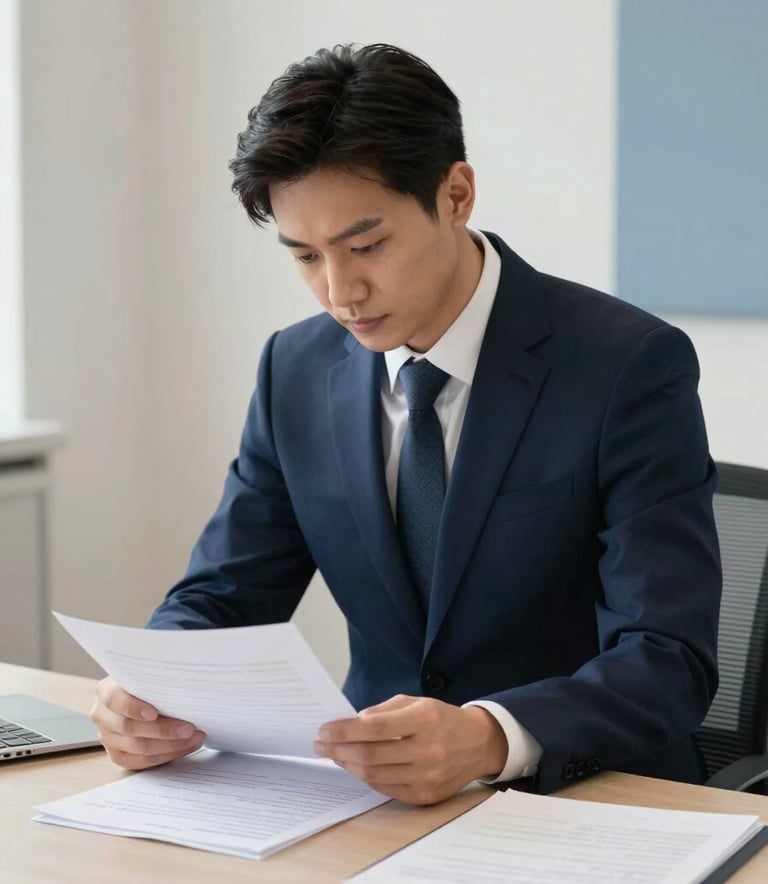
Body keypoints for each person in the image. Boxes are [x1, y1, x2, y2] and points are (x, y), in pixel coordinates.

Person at [90, 43, 722, 805]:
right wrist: (151, 689)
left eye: (367, 246)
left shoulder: (626, 365)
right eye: (304, 256)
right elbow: (224, 595)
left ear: (456, 195)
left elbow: (667, 655)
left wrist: (491, 735)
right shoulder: (294, 369)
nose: (340, 291)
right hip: (377, 802)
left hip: (598, 799)